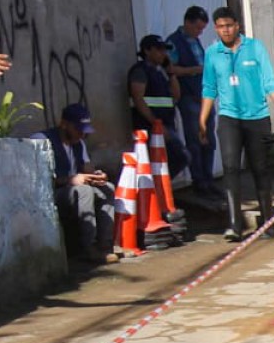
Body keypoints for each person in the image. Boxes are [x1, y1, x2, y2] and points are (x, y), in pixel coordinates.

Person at [199, 7, 274, 241]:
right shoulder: (212, 53)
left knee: (260, 168)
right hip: (229, 117)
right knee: (230, 168)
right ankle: (234, 225)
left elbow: (269, 81)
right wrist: (202, 119)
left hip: (257, 117)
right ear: (216, 28)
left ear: (237, 25)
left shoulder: (255, 48)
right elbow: (209, 88)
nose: (225, 30)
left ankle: (267, 223)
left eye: (229, 25)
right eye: (220, 26)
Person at [36, 103, 118, 266]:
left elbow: (88, 168)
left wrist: (97, 176)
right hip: (54, 193)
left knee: (107, 188)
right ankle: (88, 247)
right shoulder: (42, 141)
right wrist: (70, 180)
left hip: (76, 188)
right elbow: (39, 179)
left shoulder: (78, 143)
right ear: (64, 124)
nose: (81, 134)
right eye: (78, 129)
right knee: (84, 191)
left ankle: (106, 245)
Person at [165, 6, 216, 198]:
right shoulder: (174, 43)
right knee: (195, 141)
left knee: (209, 141)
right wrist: (194, 70)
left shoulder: (196, 41)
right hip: (189, 98)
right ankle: (199, 182)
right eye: (197, 28)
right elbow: (171, 69)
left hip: (205, 97)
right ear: (187, 22)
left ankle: (209, 179)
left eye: (202, 29)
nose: (200, 32)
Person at [128, 34, 177, 137]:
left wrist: (171, 73)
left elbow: (176, 96)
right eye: (159, 50)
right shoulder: (140, 71)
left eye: (164, 50)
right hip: (149, 127)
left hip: (167, 124)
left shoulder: (160, 72)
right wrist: (156, 123)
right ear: (147, 50)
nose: (163, 54)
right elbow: (138, 99)